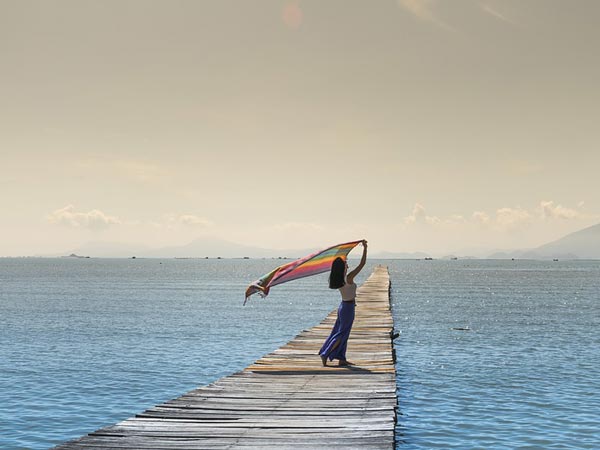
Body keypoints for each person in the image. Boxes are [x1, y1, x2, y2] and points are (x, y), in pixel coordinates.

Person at [319, 240, 368, 366]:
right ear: (343, 267)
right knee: (342, 333)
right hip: (347, 308)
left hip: (344, 306)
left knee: (340, 332)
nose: (348, 265)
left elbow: (340, 261)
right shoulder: (348, 278)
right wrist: (365, 248)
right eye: (346, 264)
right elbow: (362, 264)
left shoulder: (339, 278)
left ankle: (341, 359)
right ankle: (326, 353)